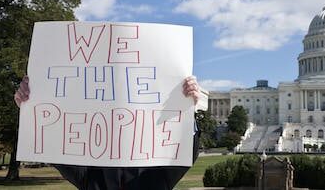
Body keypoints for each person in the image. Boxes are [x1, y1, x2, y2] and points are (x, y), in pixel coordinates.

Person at [14, 75, 202, 190]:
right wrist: (30, 106)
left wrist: (185, 109)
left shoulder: (156, 173)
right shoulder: (92, 172)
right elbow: (53, 146)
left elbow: (184, 153)